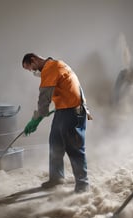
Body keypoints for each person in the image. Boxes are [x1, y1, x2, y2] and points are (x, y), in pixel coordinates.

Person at [22, 53, 92, 193]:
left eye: (30, 68)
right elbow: (68, 88)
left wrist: (35, 120)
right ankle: (56, 178)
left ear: (34, 60)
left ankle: (83, 185)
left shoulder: (50, 69)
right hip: (64, 109)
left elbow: (44, 99)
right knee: (55, 143)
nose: (32, 72)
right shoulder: (57, 64)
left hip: (73, 111)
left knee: (74, 147)